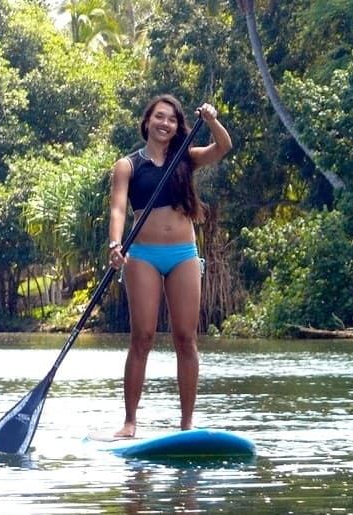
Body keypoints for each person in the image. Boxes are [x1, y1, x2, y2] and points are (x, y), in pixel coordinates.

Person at [107, 94, 232, 438]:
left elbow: (222, 147)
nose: (165, 124)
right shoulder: (128, 165)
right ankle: (130, 422)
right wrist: (115, 244)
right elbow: (118, 209)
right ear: (147, 122)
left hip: (183, 255)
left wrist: (211, 121)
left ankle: (187, 422)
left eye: (172, 120)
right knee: (142, 337)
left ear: (178, 126)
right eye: (159, 117)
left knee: (185, 338)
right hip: (143, 255)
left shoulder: (185, 158)